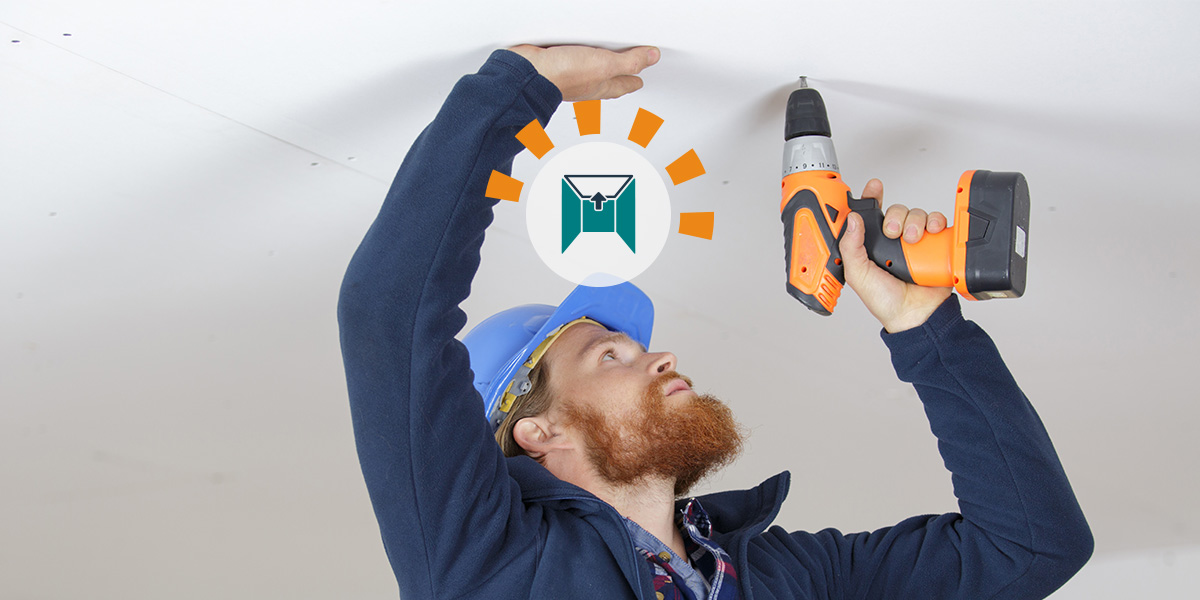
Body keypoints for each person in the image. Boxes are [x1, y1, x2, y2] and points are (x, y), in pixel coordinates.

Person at [337, 44, 1092, 600]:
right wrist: (512, 95)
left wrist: (925, 327)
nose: (659, 357)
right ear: (538, 431)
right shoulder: (484, 561)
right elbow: (388, 314)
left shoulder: (790, 577)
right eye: (609, 355)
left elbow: (1030, 547)